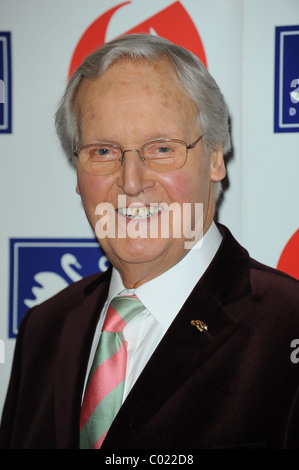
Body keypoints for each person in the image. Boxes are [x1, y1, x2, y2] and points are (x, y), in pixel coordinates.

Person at [0, 34, 298, 450]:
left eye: (161, 148)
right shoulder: (44, 330)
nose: (131, 182)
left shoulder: (288, 326)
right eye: (103, 151)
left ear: (215, 157)